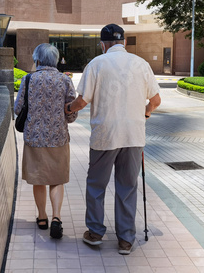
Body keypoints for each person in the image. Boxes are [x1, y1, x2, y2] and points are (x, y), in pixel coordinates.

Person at [65, 24, 161, 255]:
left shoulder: (97, 64)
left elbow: (82, 102)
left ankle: (96, 233)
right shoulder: (142, 64)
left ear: (103, 44)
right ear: (124, 43)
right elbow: (156, 100)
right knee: (127, 187)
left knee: (96, 185)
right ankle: (126, 240)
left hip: (104, 136)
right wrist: (145, 114)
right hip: (133, 136)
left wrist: (67, 108)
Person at [14, 43, 78, 239]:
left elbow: (17, 109)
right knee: (57, 179)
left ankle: (42, 217)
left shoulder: (28, 79)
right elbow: (72, 115)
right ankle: (56, 218)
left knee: (39, 179)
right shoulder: (64, 80)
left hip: (34, 139)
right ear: (56, 60)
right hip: (58, 138)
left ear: (38, 60)